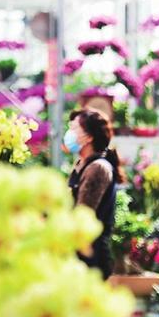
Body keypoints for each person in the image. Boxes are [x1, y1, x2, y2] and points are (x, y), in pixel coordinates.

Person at [64, 108, 125, 279]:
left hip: (91, 256)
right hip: (80, 252)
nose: (69, 133)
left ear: (89, 137)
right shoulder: (82, 165)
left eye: (74, 129)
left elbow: (83, 214)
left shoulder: (97, 168)